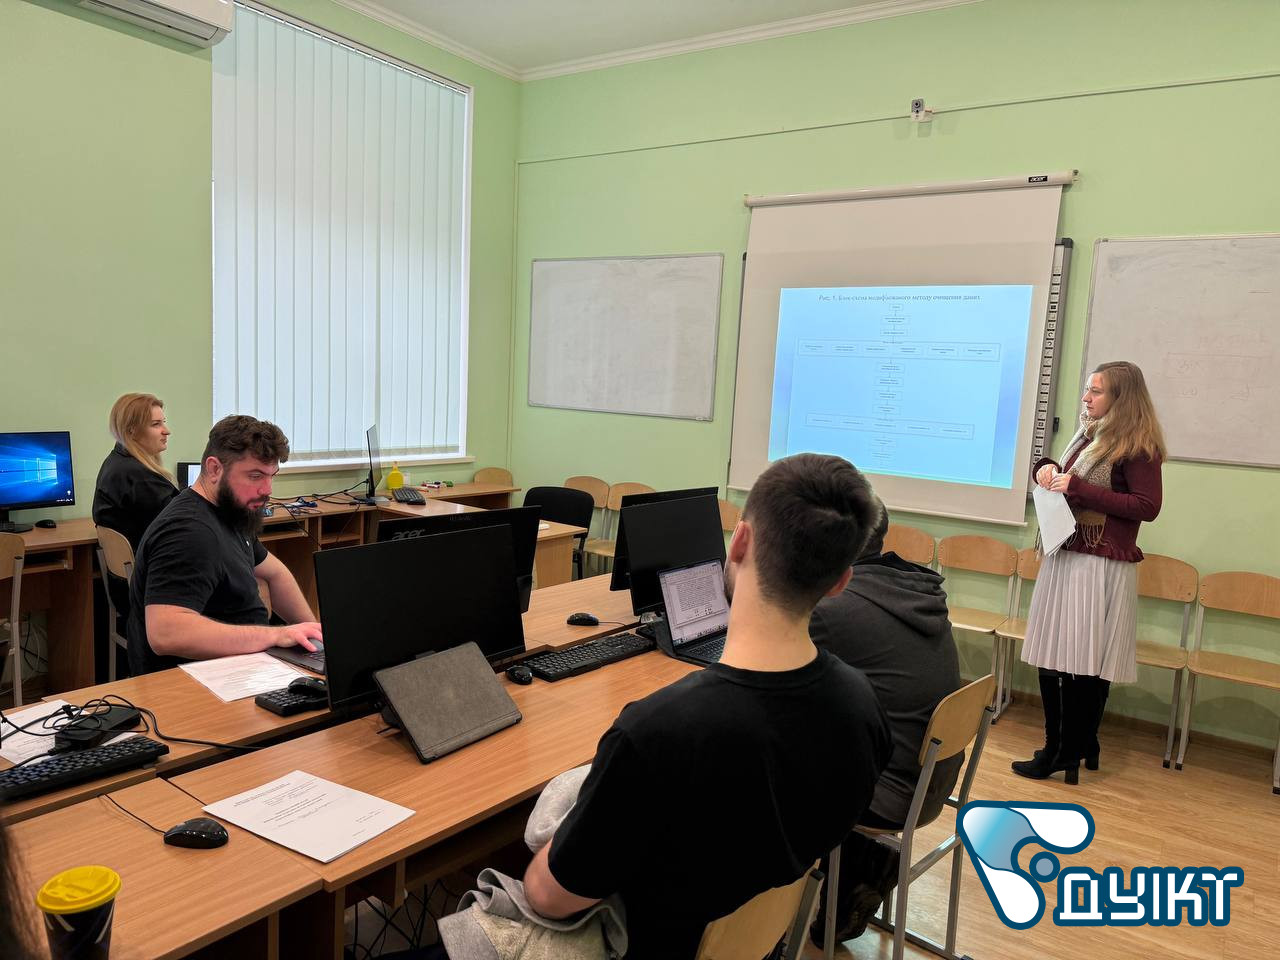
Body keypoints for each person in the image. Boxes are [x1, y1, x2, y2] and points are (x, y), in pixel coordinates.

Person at [519, 454, 893, 960]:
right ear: (841, 580)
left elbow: (547, 896)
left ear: (738, 542)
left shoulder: (655, 734)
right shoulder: (863, 706)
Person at [807, 496, 962, 945]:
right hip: (931, 779)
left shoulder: (835, 608)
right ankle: (860, 866)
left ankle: (769, 923)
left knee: (763, 764)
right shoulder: (910, 587)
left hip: (890, 793)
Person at [1014, 361, 1165, 784]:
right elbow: (1069, 476)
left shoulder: (1138, 446)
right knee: (1053, 655)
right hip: (1068, 551)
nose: (1086, 398)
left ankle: (1066, 749)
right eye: (1087, 389)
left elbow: (1147, 506)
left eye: (1096, 391)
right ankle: (1073, 744)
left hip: (1099, 562)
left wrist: (1077, 488)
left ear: (1122, 399)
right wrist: (1045, 468)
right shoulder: (1087, 435)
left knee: (1084, 662)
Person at [127, 415, 322, 675]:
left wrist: (316, 639)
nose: (267, 489)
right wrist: (275, 635)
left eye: (271, 476)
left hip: (240, 667)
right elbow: (165, 634)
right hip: (197, 682)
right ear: (214, 469)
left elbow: (275, 574)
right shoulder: (189, 532)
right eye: (255, 476)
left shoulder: (231, 510)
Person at [92, 392, 178, 552]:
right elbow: (181, 521)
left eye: (164, 422)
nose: (166, 431)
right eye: (156, 424)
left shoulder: (115, 461)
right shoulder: (138, 475)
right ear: (132, 430)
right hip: (153, 562)